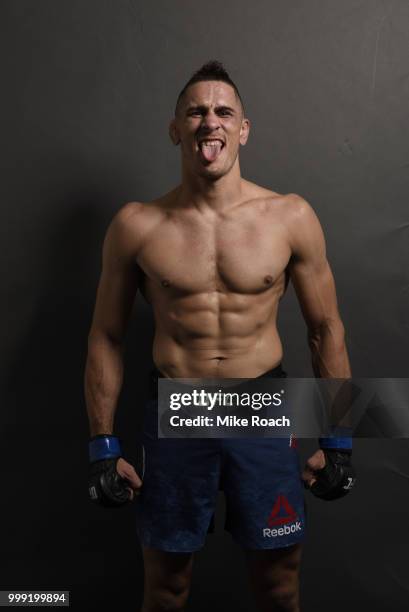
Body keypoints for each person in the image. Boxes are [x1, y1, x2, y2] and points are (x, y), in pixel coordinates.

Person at [85, 61, 356, 612]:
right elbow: (106, 336)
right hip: (177, 406)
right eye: (197, 111)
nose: (211, 122)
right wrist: (101, 445)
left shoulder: (290, 216)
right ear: (175, 128)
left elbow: (325, 327)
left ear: (243, 128)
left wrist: (340, 441)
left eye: (223, 111)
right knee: (166, 587)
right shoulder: (136, 225)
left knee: (279, 585)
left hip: (259, 402)